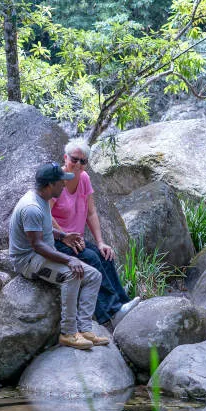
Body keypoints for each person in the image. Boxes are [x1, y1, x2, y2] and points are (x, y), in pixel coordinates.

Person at [9, 162, 110, 350]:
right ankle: (69, 333)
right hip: (28, 262)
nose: (64, 185)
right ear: (49, 185)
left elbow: (44, 231)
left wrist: (63, 236)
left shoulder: (43, 199)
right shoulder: (32, 207)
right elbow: (37, 245)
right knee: (72, 273)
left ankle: (85, 329)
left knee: (94, 275)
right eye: (61, 182)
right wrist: (69, 259)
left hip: (41, 254)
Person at [50, 138, 139, 327]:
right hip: (56, 239)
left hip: (76, 239)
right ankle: (110, 314)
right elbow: (45, 215)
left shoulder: (84, 178)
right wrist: (64, 237)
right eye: (74, 159)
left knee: (104, 255)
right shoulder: (56, 180)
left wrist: (100, 242)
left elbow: (91, 212)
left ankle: (123, 304)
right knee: (91, 258)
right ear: (65, 157)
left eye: (83, 161)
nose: (78, 164)